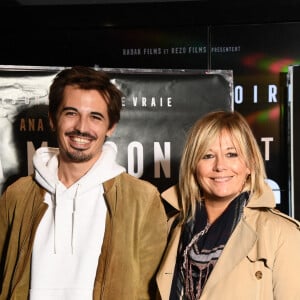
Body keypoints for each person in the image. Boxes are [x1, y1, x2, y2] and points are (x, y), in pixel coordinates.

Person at [0, 66, 168, 300]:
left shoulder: (142, 199)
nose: (81, 127)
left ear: (111, 127)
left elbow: (157, 289)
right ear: (52, 119)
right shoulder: (17, 195)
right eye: (71, 113)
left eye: (95, 117)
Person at [156, 110, 300, 300]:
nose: (220, 166)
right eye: (207, 156)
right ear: (193, 166)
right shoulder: (172, 227)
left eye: (231, 154)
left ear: (250, 164)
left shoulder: (283, 234)